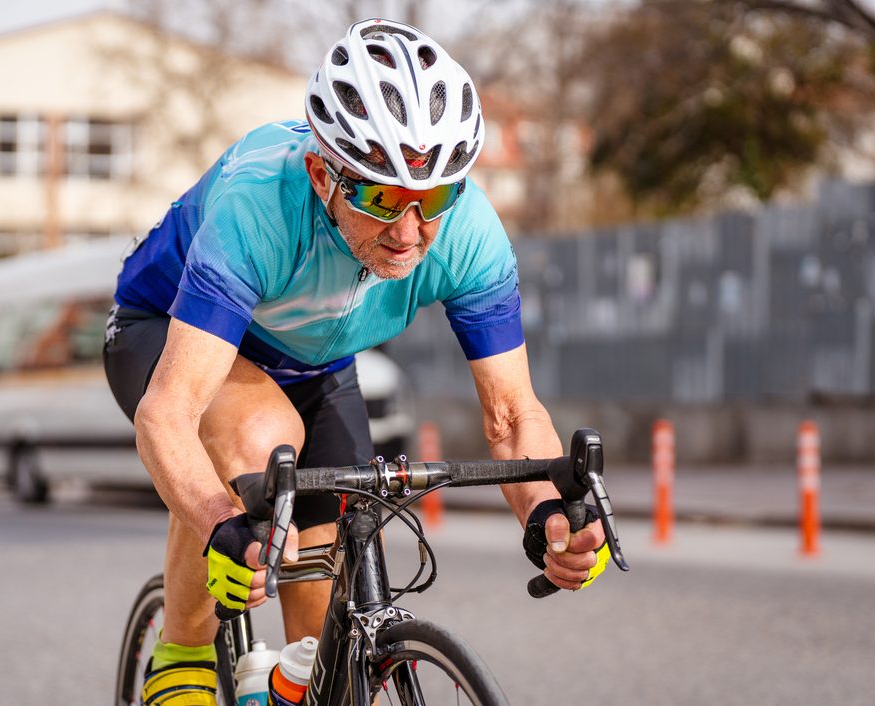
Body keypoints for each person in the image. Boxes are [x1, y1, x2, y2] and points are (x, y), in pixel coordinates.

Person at [103, 18, 610, 703]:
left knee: (328, 625)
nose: (408, 232)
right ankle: (182, 655)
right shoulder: (258, 207)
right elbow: (169, 414)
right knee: (258, 439)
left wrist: (549, 514)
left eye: (432, 199)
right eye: (379, 197)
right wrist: (216, 521)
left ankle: (288, 685)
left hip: (314, 363)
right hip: (166, 331)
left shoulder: (468, 233)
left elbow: (514, 415)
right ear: (323, 174)